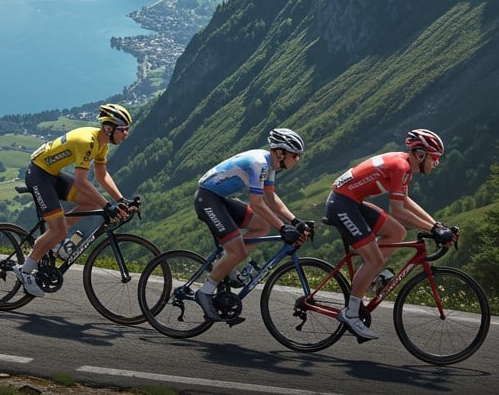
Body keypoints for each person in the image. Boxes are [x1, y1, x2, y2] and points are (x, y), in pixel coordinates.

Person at [324, 129, 454, 341]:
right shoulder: (401, 166)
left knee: (397, 232)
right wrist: (434, 230)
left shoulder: (405, 166)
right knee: (374, 260)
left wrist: (437, 225)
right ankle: (351, 313)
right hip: (341, 204)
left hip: (350, 201)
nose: (437, 163)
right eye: (435, 157)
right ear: (420, 155)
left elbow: (406, 201)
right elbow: (397, 210)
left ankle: (369, 277)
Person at [10, 103, 135, 297]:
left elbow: (102, 175)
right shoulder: (88, 142)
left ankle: (53, 239)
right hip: (39, 175)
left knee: (91, 204)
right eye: (123, 129)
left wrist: (120, 200)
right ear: (109, 128)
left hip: (51, 174)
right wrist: (107, 205)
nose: (126, 134)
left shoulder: (101, 143)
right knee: (59, 229)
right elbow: (81, 181)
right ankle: (24, 271)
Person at [192, 128, 308, 322]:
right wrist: (282, 227)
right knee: (239, 251)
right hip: (207, 199)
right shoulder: (259, 163)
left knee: (262, 226)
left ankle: (226, 265)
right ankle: (205, 292)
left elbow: (270, 197)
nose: (298, 160)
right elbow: (256, 203)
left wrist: (295, 221)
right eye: (295, 155)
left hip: (219, 198)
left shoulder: (270, 165)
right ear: (280, 153)